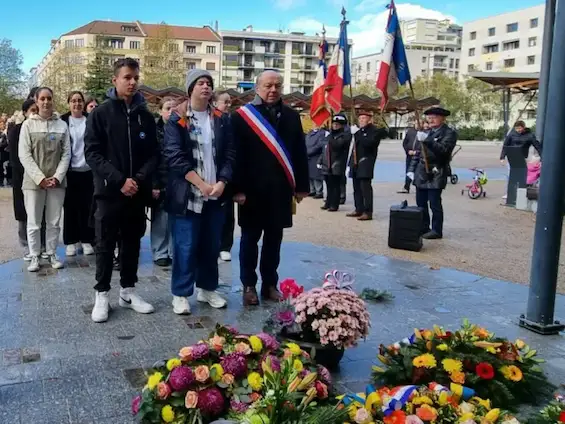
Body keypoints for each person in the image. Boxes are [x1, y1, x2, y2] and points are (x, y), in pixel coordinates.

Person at [85, 58, 159, 323]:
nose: (132, 82)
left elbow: (154, 155)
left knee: (132, 243)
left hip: (136, 192)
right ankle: (102, 294)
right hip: (109, 192)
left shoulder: (145, 117)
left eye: (135, 77)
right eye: (127, 77)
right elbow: (92, 153)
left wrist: (137, 180)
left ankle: (127, 292)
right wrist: (119, 180)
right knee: (105, 244)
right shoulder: (100, 114)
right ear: (115, 80)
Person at [231, 70, 309, 306]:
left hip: (280, 191)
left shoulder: (292, 116)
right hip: (251, 192)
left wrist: (302, 186)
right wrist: (236, 189)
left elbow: (299, 152)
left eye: (277, 85)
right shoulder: (242, 117)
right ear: (257, 88)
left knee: (274, 241)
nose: (273, 90)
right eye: (268, 85)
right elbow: (235, 156)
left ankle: (269, 284)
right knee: (249, 241)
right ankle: (248, 285)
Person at [164, 69, 236, 314]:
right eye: (200, 83)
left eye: (208, 83)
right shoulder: (178, 118)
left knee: (211, 245)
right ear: (190, 88)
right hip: (188, 195)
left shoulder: (221, 119)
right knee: (185, 246)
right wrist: (201, 184)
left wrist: (222, 182)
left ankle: (207, 289)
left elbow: (229, 154)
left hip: (215, 194)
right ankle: (181, 294)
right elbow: (175, 157)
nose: (205, 87)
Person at [19, 87, 70, 272]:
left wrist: (57, 177)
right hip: (33, 182)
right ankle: (34, 255)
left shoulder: (61, 125)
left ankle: (51, 252)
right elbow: (24, 154)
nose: (46, 102)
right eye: (42, 98)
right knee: (33, 221)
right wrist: (40, 178)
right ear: (36, 100)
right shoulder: (28, 125)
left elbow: (66, 154)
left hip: (57, 182)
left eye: (49, 98)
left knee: (54, 221)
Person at [407, 107, 457, 240]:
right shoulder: (425, 132)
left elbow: (444, 150)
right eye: (429, 117)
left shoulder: (449, 133)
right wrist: (411, 169)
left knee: (434, 203)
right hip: (421, 172)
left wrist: (427, 140)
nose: (431, 120)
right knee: (421, 203)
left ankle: (436, 230)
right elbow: (418, 153)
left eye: (434, 117)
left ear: (442, 118)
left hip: (436, 171)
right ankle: (424, 227)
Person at [8, 100, 47, 259]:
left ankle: (42, 244)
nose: (35, 113)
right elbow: (16, 157)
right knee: (24, 213)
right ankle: (26, 244)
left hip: (41, 176)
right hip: (23, 177)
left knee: (41, 211)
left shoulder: (42, 127)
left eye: (36, 110)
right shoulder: (17, 130)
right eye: (32, 110)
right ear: (24, 112)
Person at [60, 91, 95, 257]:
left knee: (87, 207)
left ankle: (87, 239)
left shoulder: (91, 120)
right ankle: (71, 241)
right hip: (70, 171)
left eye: (80, 101)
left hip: (88, 171)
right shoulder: (62, 121)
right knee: (70, 207)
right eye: (73, 101)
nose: (77, 104)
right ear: (69, 103)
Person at [346, 111, 389, 221]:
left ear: (370, 120)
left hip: (366, 162)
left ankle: (368, 211)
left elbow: (369, 144)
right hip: (355, 163)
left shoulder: (374, 131)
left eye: (364, 118)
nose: (361, 120)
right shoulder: (358, 131)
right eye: (360, 118)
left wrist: (358, 134)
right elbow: (354, 149)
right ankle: (358, 208)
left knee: (365, 189)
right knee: (356, 188)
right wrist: (349, 164)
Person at [151, 96, 176, 267]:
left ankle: (174, 251)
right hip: (159, 179)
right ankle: (160, 251)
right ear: (160, 111)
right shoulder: (154, 130)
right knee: (160, 218)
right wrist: (154, 184)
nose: (171, 111)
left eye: (174, 108)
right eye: (167, 108)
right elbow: (151, 159)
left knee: (175, 218)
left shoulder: (181, 128)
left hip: (177, 180)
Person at [215, 91, 235, 262]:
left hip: (227, 175)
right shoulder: (209, 120)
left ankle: (225, 246)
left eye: (230, 102)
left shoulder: (232, 121)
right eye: (225, 102)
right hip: (209, 175)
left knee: (227, 214)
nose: (228, 105)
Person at [319, 114, 351, 212]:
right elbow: (324, 149)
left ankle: (334, 204)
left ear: (342, 125)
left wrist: (330, 137)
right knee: (328, 185)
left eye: (337, 124)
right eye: (334, 124)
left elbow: (337, 145)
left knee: (335, 185)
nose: (335, 126)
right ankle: (328, 202)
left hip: (337, 163)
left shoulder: (345, 135)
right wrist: (320, 160)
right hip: (327, 163)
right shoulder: (330, 135)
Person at [305, 125, 327, 199]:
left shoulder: (322, 133)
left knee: (316, 176)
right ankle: (312, 190)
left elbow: (319, 145)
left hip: (316, 156)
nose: (315, 125)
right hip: (308, 156)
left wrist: (309, 152)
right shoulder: (309, 133)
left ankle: (319, 191)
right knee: (309, 175)